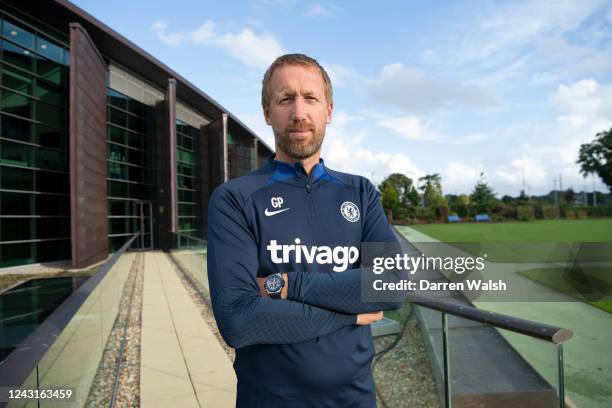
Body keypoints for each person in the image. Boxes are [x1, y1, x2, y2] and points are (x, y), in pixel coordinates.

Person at [207, 53, 404, 407]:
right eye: (285, 99)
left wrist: (285, 285)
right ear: (267, 112)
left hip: (355, 400)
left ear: (328, 110)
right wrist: (351, 314)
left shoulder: (359, 192)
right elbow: (239, 319)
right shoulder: (234, 199)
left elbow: (391, 285)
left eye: (310, 98)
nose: (299, 112)